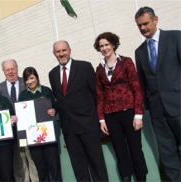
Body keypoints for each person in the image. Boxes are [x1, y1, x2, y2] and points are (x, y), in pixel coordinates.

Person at [49, 40, 108, 181]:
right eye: (58, 51)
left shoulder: (84, 67)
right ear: (54, 54)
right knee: (79, 167)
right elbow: (60, 99)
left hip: (88, 125)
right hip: (69, 129)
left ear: (70, 50)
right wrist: (54, 109)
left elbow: (96, 95)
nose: (61, 54)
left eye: (64, 50)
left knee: (97, 164)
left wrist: (101, 119)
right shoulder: (52, 74)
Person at [93, 32, 148, 182]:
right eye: (101, 46)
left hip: (129, 113)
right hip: (110, 116)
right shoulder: (99, 69)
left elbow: (136, 88)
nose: (104, 48)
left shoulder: (126, 62)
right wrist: (101, 119)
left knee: (136, 150)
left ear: (113, 44)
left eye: (106, 44)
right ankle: (126, 179)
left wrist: (138, 114)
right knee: (120, 152)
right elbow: (100, 96)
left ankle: (142, 179)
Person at [134, 7, 181, 181]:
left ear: (156, 20)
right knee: (168, 155)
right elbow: (143, 83)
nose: (143, 28)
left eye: (145, 23)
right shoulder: (139, 52)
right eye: (139, 25)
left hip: (178, 105)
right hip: (158, 113)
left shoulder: (176, 37)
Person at [0, 59, 39, 182]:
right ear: (3, 72)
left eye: (13, 69)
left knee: (33, 159)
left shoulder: (28, 83)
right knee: (18, 163)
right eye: (7, 70)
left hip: (30, 129)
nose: (11, 72)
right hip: (11, 132)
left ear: (17, 69)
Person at [19, 66, 62, 182]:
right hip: (33, 139)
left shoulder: (46, 91)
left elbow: (56, 106)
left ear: (37, 77)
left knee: (54, 167)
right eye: (27, 79)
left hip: (48, 136)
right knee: (41, 169)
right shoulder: (22, 96)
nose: (30, 82)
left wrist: (54, 110)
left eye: (32, 78)